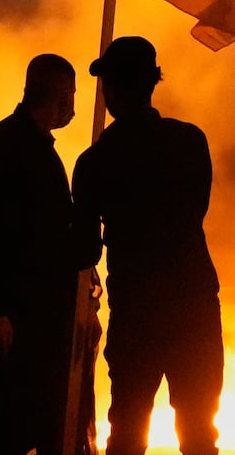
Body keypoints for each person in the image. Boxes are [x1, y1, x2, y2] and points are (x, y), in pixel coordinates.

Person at [72, 36, 224, 455]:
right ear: (152, 82)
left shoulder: (94, 162)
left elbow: (84, 250)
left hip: (137, 311)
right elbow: (196, 210)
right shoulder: (190, 141)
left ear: (110, 90)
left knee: (127, 429)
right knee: (198, 431)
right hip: (193, 304)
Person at [0, 53, 78, 455]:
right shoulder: (10, 148)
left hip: (36, 312)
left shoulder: (29, 147)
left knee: (32, 417)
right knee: (19, 419)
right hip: (18, 314)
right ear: (59, 96)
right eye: (71, 95)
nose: (73, 106)